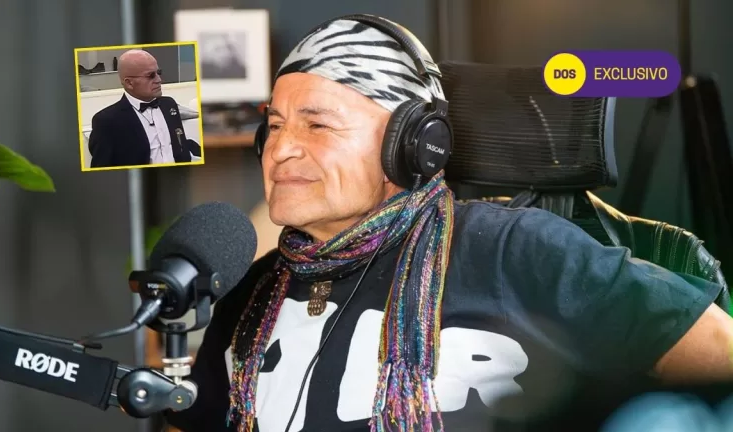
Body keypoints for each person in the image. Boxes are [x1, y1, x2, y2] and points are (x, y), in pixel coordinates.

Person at [165, 15, 733, 432]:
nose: (281, 149)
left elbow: (719, 360)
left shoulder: (512, 249)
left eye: (317, 125)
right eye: (275, 126)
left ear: (413, 145)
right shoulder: (251, 292)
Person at [87, 49, 201, 168]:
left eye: (158, 73)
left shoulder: (169, 105)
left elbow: (180, 146)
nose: (159, 80)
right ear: (129, 83)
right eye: (151, 75)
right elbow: (101, 168)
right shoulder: (106, 121)